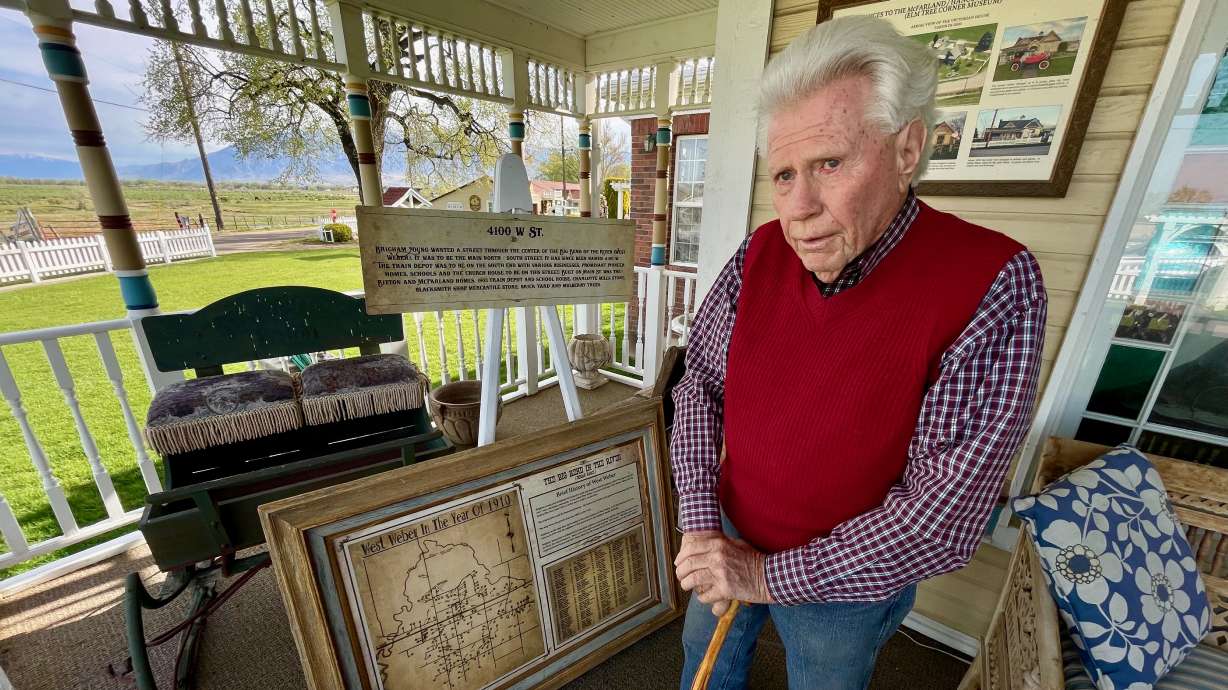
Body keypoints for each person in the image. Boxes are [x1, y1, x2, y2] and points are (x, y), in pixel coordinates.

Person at [671, 15, 1047, 690]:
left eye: (829, 164)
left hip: (847, 580)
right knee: (708, 661)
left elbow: (938, 517)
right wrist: (702, 529)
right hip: (731, 525)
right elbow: (700, 385)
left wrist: (764, 576)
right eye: (784, 175)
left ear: (907, 149)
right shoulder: (760, 253)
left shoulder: (993, 280)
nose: (799, 208)